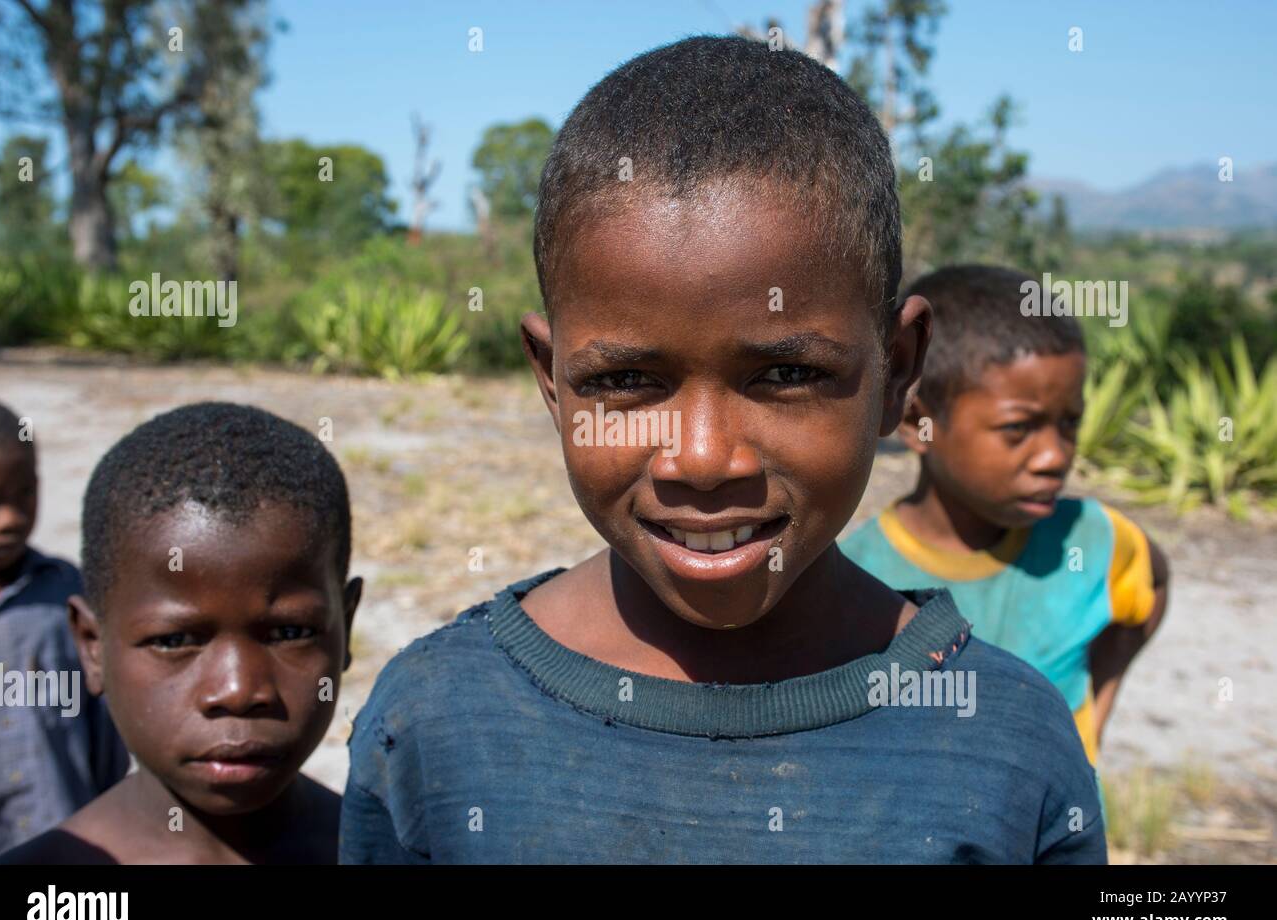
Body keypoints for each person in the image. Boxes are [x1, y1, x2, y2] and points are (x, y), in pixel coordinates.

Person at [341, 36, 1106, 864]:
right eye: (628, 378)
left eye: (786, 371)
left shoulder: (1008, 742)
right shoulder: (433, 726)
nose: (703, 459)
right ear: (551, 380)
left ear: (899, 373)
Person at [0, 402, 362, 863]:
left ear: (344, 627)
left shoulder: (395, 856)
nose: (238, 690)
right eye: (173, 640)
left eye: (289, 631)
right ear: (92, 645)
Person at [840, 264, 1169, 766]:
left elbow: (1152, 585)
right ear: (916, 422)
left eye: (1069, 424)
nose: (1054, 456)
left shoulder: (1094, 539)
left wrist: (1090, 720)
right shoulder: (858, 573)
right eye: (1019, 428)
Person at [0, 395, 129, 862]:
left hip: (72, 848)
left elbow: (108, 734)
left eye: (25, 493)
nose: (11, 519)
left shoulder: (71, 596)